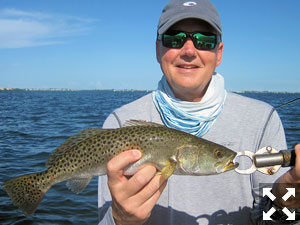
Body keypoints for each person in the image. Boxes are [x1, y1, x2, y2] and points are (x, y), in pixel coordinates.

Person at [98, 0, 300, 224]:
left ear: (219, 53)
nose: (189, 51)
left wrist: (288, 197)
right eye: (174, 38)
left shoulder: (263, 120)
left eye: (204, 40)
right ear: (158, 50)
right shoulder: (119, 123)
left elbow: (273, 221)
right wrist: (120, 219)